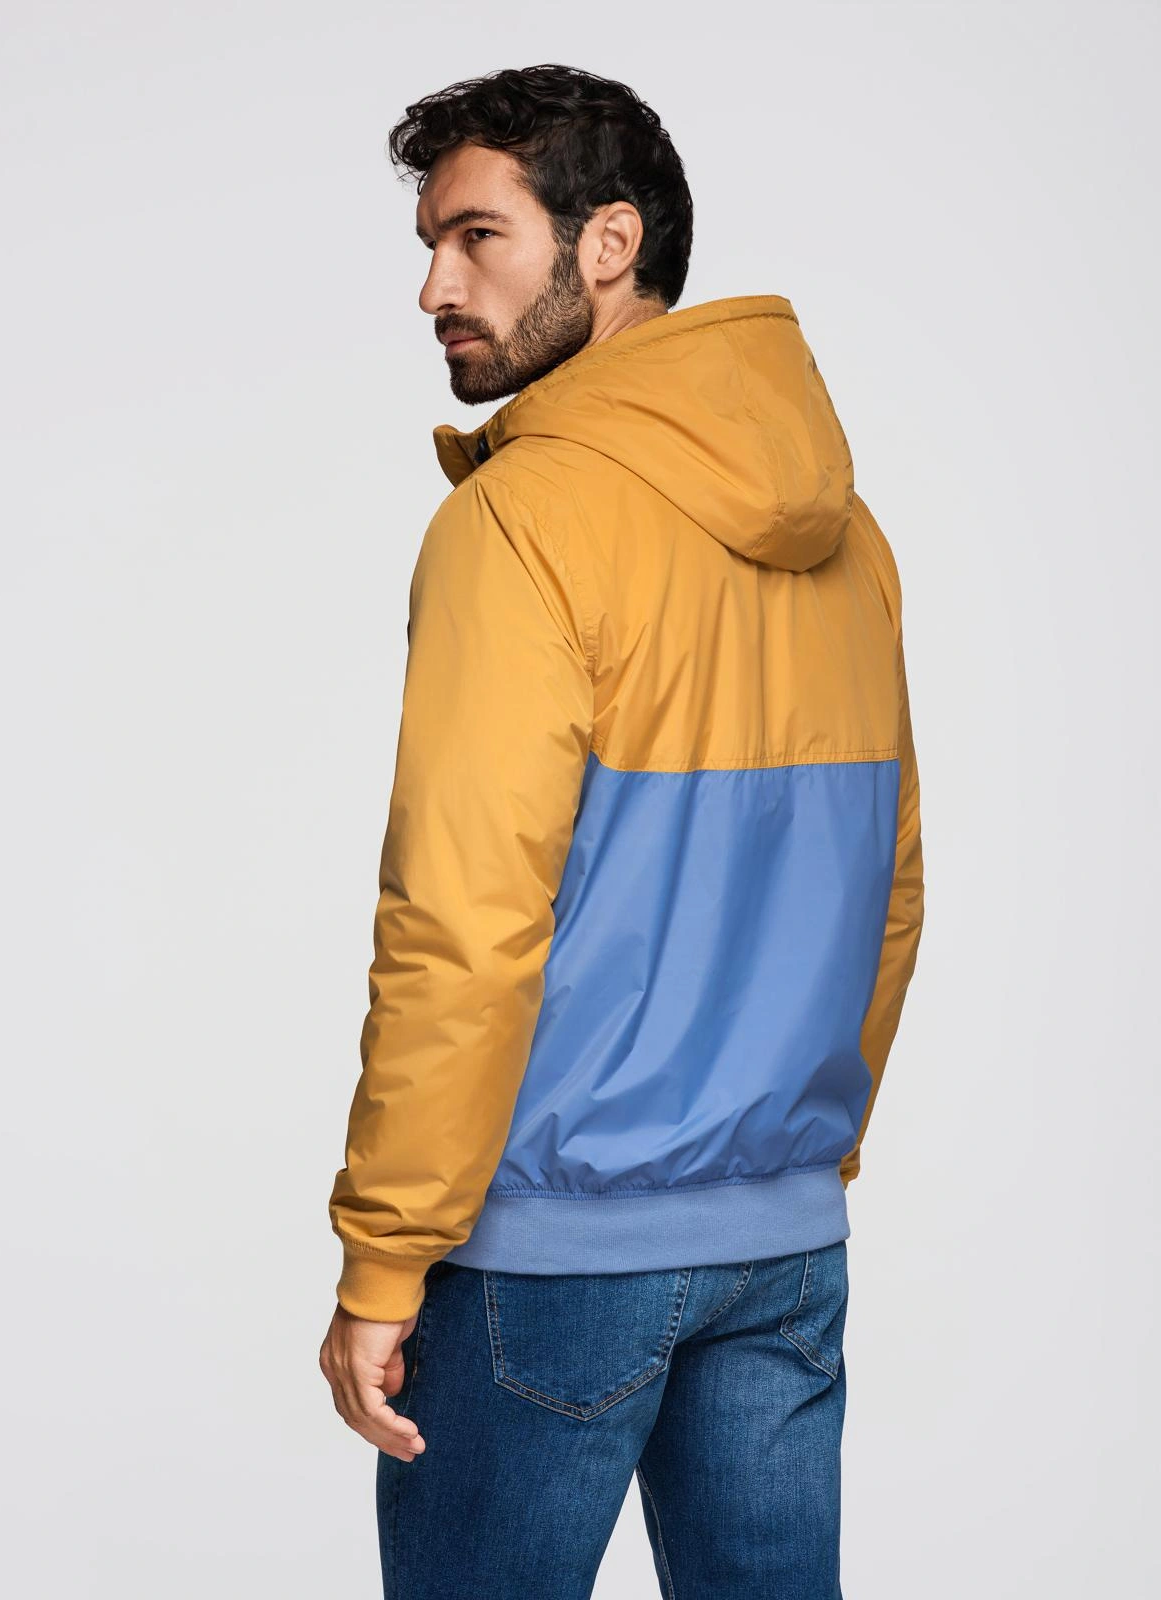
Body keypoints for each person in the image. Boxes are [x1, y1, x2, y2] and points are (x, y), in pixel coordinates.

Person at [319, 62, 926, 1600]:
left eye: (477, 238)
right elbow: (889, 887)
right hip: (783, 1246)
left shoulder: (517, 521)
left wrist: (386, 1254)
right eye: (431, 245)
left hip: (552, 1251)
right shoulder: (848, 536)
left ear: (608, 243)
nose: (434, 287)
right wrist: (802, 1155)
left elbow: (465, 923)